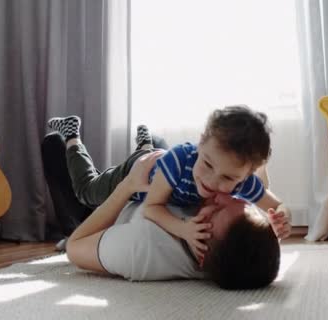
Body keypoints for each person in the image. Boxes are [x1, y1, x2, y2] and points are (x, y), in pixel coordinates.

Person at [46, 105, 292, 261]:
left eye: (227, 178)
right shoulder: (179, 162)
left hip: (158, 165)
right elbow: (152, 208)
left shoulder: (243, 182)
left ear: (247, 174)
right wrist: (182, 229)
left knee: (157, 156)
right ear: (200, 143)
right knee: (87, 192)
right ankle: (72, 136)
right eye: (206, 163)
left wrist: (280, 218)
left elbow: (277, 205)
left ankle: (147, 143)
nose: (211, 181)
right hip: (137, 174)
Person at [64, 150, 280, 289]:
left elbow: (74, 247)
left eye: (215, 209)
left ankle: (71, 139)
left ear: (202, 251)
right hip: (160, 172)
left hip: (108, 204)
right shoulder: (234, 256)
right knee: (158, 147)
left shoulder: (140, 248)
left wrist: (128, 185)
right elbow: (259, 188)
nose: (221, 193)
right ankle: (146, 141)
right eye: (238, 199)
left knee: (82, 184)